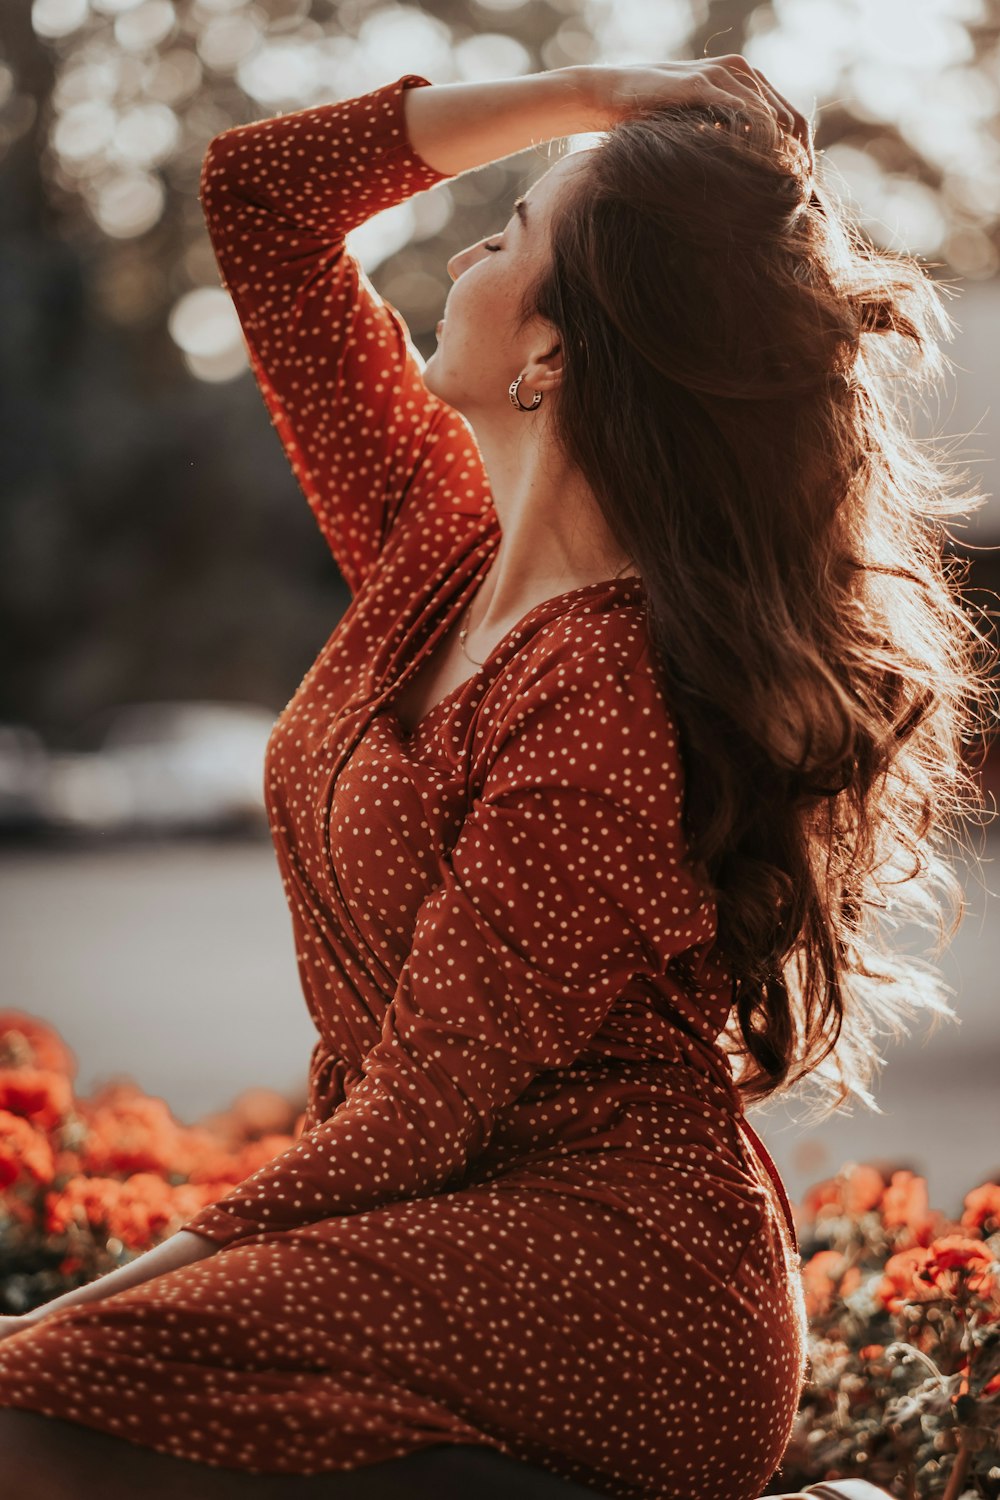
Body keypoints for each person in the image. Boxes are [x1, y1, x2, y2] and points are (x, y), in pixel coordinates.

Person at [0, 52, 986, 1500]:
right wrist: (605, 96)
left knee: (29, 1405)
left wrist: (53, 1316)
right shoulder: (434, 546)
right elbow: (263, 199)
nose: (461, 243)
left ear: (561, 352)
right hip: (443, 1216)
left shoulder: (607, 698)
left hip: (614, 1278)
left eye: (508, 232)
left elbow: (410, 1119)